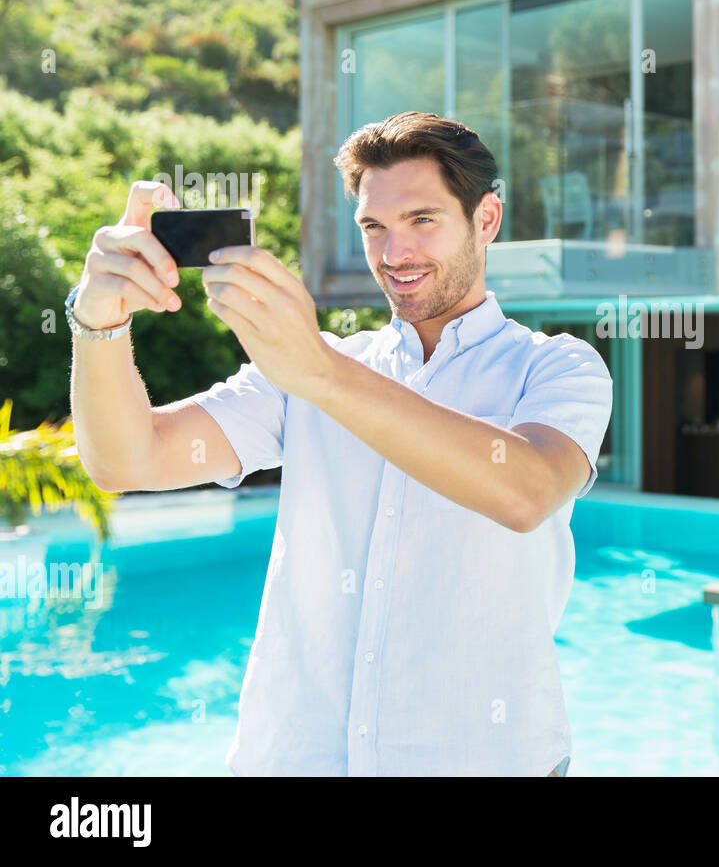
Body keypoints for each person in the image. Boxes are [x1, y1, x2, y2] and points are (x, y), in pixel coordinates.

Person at [67, 111, 612, 777]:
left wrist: (319, 373)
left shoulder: (557, 366)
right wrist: (98, 321)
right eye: (373, 227)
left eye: (423, 220)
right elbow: (126, 460)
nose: (394, 253)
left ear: (487, 220)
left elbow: (527, 490)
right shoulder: (307, 367)